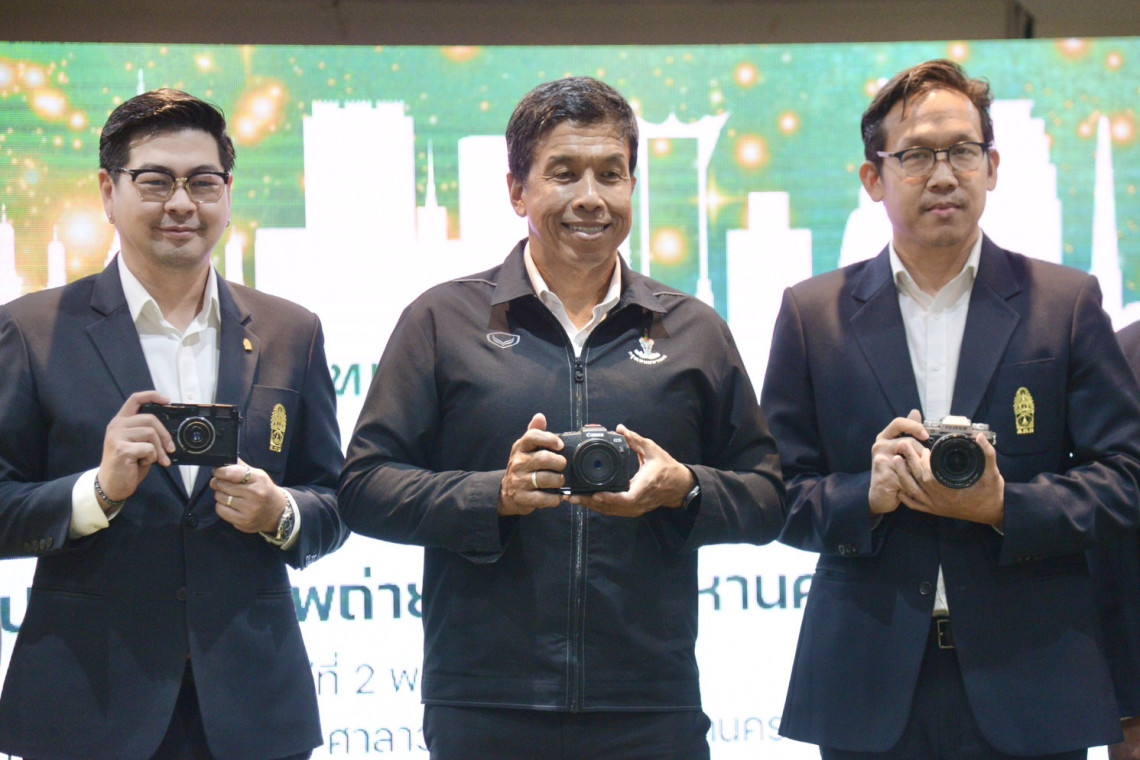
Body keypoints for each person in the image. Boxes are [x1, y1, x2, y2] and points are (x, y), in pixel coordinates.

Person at [337, 75, 785, 760]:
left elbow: (768, 494)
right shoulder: (443, 320)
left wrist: (684, 487)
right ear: (517, 190)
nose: (590, 197)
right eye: (564, 173)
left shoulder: (692, 329)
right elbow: (364, 486)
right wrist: (495, 495)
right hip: (485, 702)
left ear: (633, 185)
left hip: (650, 702)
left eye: (611, 174)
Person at [760, 59, 1140, 759]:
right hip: (867, 678)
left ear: (992, 167)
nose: (943, 175)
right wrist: (865, 495)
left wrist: (1004, 505)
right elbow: (773, 492)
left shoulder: (1065, 303)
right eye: (916, 155)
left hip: (1033, 674)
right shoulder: (814, 315)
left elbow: (1125, 479)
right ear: (873, 178)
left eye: (962, 151)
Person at [0, 89, 347, 760]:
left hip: (252, 709)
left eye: (203, 182)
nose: (182, 203)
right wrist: (95, 493)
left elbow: (334, 497)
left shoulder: (290, 330)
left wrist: (279, 512)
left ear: (228, 192)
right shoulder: (32, 330)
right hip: (87, 705)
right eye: (155, 181)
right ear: (109, 192)